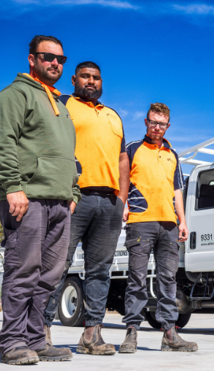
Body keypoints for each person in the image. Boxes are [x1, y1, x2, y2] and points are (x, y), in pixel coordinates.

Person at [0, 35, 79, 365]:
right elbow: (3, 143)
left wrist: (73, 192)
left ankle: (35, 339)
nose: (55, 63)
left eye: (60, 59)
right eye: (48, 57)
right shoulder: (14, 95)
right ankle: (13, 341)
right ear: (32, 59)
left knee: (49, 276)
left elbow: (69, 156)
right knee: (23, 271)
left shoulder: (60, 105)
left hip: (59, 202)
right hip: (26, 198)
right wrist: (13, 186)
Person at [41, 61, 129, 356]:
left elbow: (122, 160)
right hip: (73, 198)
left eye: (96, 77)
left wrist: (122, 199)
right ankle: (41, 333)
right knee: (57, 266)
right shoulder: (63, 104)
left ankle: (92, 335)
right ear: (74, 79)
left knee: (100, 271)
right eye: (85, 76)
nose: (91, 81)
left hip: (109, 202)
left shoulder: (113, 115)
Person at [117, 103, 195, 353]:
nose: (157, 127)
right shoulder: (132, 149)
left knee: (168, 280)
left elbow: (177, 190)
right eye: (153, 122)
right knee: (137, 279)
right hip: (140, 222)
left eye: (161, 124)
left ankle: (170, 334)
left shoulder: (173, 154)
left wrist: (182, 221)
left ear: (168, 126)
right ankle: (131, 332)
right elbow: (121, 179)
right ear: (146, 122)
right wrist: (123, 204)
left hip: (169, 225)